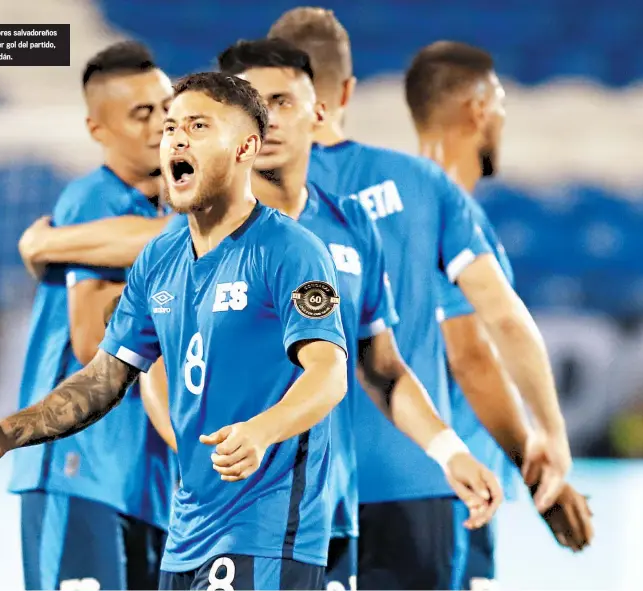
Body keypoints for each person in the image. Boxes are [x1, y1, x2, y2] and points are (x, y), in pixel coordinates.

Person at [0, 71, 350, 591]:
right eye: (170, 127)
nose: (177, 139)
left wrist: (262, 431)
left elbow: (329, 370)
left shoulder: (289, 250)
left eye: (199, 125)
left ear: (246, 147)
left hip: (265, 530)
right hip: (185, 535)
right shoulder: (159, 259)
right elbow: (102, 379)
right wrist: (10, 433)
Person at [268, 7, 576, 590]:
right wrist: (549, 436)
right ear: (348, 90)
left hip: (293, 492)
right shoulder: (423, 185)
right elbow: (501, 322)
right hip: (417, 480)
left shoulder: (248, 203)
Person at [214, 38, 502, 590]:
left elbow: (382, 369)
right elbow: (147, 363)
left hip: (329, 514)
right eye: (250, 103)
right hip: (230, 518)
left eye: (282, 102)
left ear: (317, 112)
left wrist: (450, 452)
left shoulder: (350, 228)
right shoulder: (195, 232)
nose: (267, 120)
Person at [0, 41, 179, 591]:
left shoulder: (167, 211)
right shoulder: (95, 200)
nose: (163, 123)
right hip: (79, 465)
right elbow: (93, 341)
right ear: (98, 129)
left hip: (143, 475)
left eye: (167, 106)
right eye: (142, 113)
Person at [405, 41, 594, 587]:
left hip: (388, 483)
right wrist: (543, 450)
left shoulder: (384, 210)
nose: (502, 123)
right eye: (503, 108)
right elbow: (473, 353)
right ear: (479, 110)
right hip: (453, 489)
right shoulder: (449, 210)